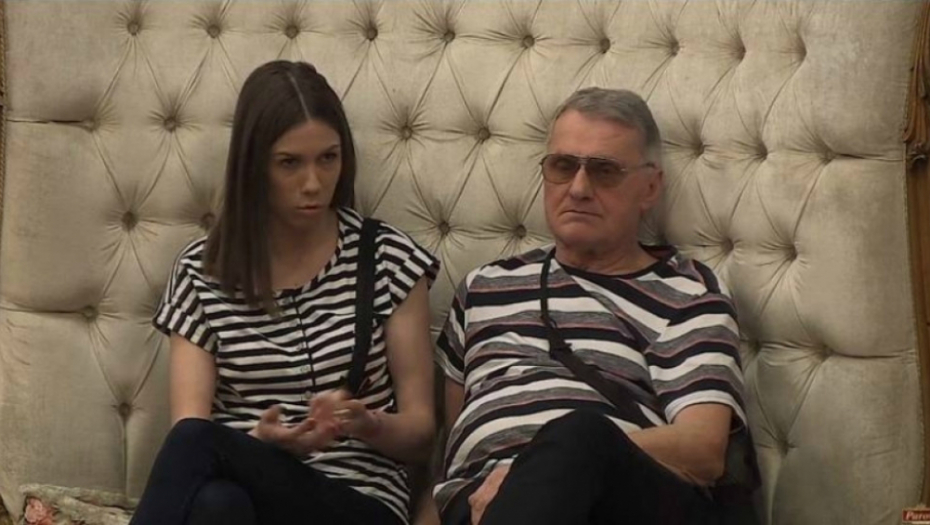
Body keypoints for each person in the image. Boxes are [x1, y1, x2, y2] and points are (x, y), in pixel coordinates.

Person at [130, 60, 439, 525]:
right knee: (215, 500)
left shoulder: (389, 259)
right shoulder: (201, 271)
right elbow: (187, 437)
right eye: (289, 163)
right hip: (248, 499)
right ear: (254, 166)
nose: (313, 183)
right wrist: (261, 442)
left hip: (357, 501)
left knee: (197, 444)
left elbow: (421, 435)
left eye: (328, 158)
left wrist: (367, 423)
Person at [433, 88, 747, 525]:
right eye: (563, 166)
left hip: (616, 504)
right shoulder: (483, 287)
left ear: (650, 188)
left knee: (579, 434)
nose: (579, 189)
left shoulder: (687, 293)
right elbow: (448, 445)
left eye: (604, 171)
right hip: (478, 506)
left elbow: (703, 449)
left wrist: (538, 472)